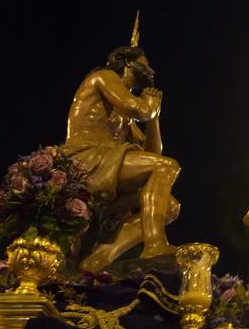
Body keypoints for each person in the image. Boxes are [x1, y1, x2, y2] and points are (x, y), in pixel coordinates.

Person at [64, 43, 180, 272]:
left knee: (168, 205)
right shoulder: (103, 77)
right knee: (167, 167)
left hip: (106, 161)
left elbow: (152, 156)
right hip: (85, 158)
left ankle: (99, 258)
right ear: (128, 62)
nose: (152, 71)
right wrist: (149, 109)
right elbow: (137, 109)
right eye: (146, 65)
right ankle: (155, 244)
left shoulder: (124, 116)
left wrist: (154, 119)